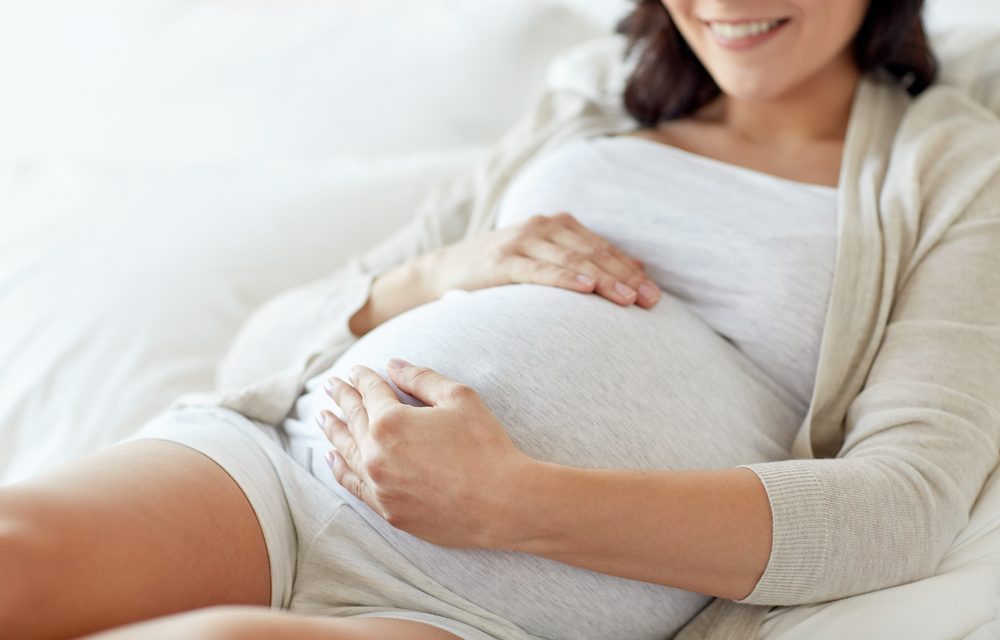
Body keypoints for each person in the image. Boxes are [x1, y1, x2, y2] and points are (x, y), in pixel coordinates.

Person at [2, 0, 999, 639]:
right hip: (285, 464)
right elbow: (264, 343)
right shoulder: (592, 101)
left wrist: (509, 500)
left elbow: (901, 504)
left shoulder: (952, 168)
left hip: (479, 605)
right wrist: (435, 271)